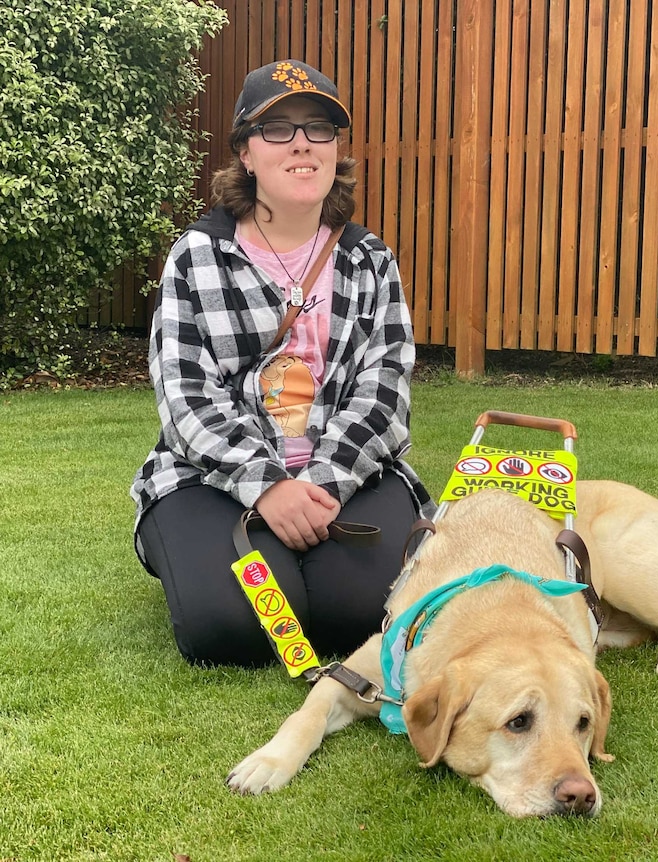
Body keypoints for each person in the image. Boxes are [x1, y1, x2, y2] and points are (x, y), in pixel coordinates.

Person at [131, 60, 435, 667]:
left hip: (347, 476)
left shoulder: (370, 259)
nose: (301, 142)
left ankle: (302, 555)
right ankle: (212, 554)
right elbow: (186, 397)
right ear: (246, 152)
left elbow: (384, 393)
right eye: (278, 128)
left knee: (364, 616)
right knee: (233, 630)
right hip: (212, 480)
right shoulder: (197, 257)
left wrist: (319, 483)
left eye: (319, 127)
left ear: (336, 149)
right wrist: (269, 486)